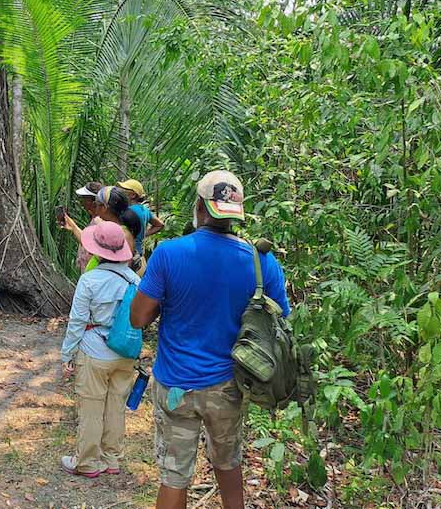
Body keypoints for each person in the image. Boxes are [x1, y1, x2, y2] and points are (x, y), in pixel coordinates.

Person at [129, 171, 291, 509]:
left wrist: (169, 301)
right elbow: (280, 321)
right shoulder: (261, 261)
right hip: (229, 386)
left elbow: (138, 318)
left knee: (174, 475)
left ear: (200, 207)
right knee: (228, 463)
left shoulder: (169, 254)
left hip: (176, 383)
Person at [60, 221, 140, 478]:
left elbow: (77, 321)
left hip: (94, 351)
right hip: (125, 352)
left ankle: (86, 462)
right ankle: (112, 458)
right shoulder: (134, 280)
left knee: (92, 408)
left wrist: (67, 354)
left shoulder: (90, 280)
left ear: (96, 250)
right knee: (116, 406)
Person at [85, 186, 142, 272]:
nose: (95, 209)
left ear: (104, 208)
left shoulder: (123, 234)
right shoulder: (109, 228)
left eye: (96, 205)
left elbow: (123, 266)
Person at [60, 181, 103, 272]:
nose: (82, 202)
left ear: (93, 202)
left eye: (85, 199)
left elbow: (88, 243)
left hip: (93, 271)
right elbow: (86, 239)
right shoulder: (95, 218)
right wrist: (72, 226)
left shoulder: (99, 221)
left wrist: (73, 226)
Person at [116, 178, 165, 255]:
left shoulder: (129, 211)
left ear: (133, 195)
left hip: (129, 252)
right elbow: (160, 225)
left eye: (123, 191)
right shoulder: (144, 209)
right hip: (138, 251)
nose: (120, 193)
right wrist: (143, 235)